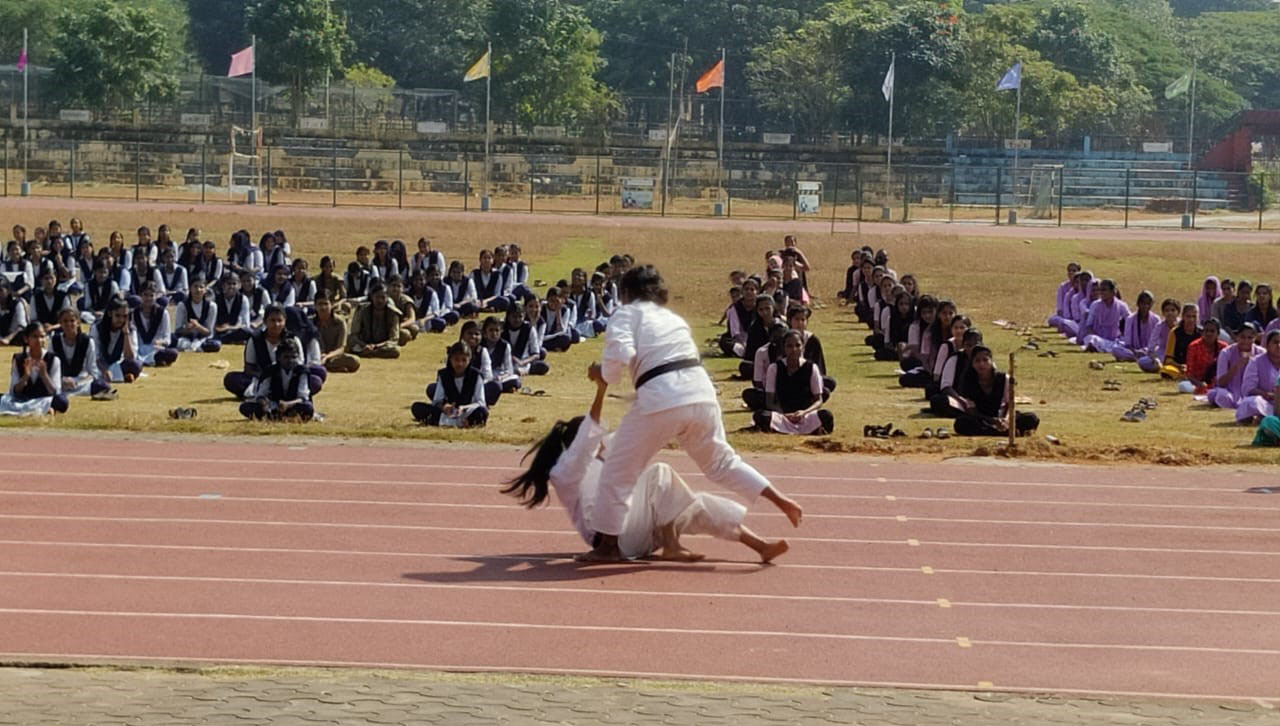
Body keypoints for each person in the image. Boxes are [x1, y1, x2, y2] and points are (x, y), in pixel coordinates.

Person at [579, 265, 803, 562]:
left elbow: (619, 356)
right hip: (700, 393)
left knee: (617, 469)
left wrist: (603, 373)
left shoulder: (627, 313)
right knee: (723, 462)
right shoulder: (674, 320)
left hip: (661, 397)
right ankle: (779, 498)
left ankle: (607, 547)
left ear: (627, 293)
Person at [503, 367, 789, 563]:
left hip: (637, 534)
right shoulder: (566, 470)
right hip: (609, 536)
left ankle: (760, 546)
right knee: (659, 474)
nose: (604, 439)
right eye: (599, 436)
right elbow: (590, 433)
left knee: (697, 504)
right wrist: (601, 389)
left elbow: (635, 430)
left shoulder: (605, 454)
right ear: (580, 440)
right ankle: (672, 546)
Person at [753, 329, 834, 435]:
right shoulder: (774, 368)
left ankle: (785, 429)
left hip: (805, 416)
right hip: (782, 416)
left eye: (797, 345)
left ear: (803, 347)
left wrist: (804, 412)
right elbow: (770, 401)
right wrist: (785, 414)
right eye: (789, 346)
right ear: (784, 348)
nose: (794, 349)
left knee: (826, 415)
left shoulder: (811, 367)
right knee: (760, 415)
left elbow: (818, 400)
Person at [952, 346, 1039, 437]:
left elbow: (1010, 404)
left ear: (991, 362)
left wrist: (1005, 420)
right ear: (972, 364)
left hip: (1003, 416)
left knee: (1031, 418)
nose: (981, 364)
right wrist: (993, 421)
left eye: (985, 360)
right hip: (982, 419)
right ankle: (1000, 432)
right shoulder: (969, 382)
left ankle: (1005, 430)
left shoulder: (1004, 379)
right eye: (977, 361)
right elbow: (972, 411)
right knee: (961, 423)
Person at [411, 341, 488, 427]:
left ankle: (446, 422)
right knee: (417, 407)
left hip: (467, 412)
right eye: (456, 359)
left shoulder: (476, 376)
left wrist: (464, 408)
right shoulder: (444, 375)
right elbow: (437, 401)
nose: (460, 364)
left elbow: (480, 402)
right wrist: (445, 407)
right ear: (450, 359)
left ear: (469, 360)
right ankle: (458, 423)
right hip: (449, 413)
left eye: (464, 360)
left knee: (482, 412)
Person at [239, 336, 314, 422]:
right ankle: (275, 415)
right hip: (274, 405)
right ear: (278, 357)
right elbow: (262, 394)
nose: (290, 360)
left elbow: (303, 397)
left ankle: (276, 417)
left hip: (294, 404)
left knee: (308, 408)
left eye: (293, 357)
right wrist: (264, 403)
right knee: (245, 407)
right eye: (286, 357)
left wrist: (288, 404)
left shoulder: (302, 371)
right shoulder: (270, 370)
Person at [0, 323, 68, 415]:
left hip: (43, 399)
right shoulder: (19, 359)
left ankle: (40, 409)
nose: (39, 340)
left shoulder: (53, 359)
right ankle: (39, 410)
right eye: (35, 336)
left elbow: (56, 391)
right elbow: (14, 391)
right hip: (22, 399)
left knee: (61, 401)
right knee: (3, 398)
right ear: (26, 339)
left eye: (42, 337)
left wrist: (44, 375)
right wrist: (26, 376)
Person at [50, 307, 114, 400]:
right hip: (61, 382)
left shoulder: (87, 341)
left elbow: (92, 371)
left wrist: (76, 382)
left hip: (81, 383)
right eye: (65, 321)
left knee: (103, 386)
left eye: (72, 321)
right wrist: (62, 380)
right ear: (60, 323)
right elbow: (50, 367)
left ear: (78, 322)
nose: (69, 324)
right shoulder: (54, 341)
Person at [1209, 321, 1260, 409]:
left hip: (1253, 392)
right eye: (1242, 337)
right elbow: (1220, 383)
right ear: (1237, 337)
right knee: (1221, 396)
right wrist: (1236, 366)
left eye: (1250, 338)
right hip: (1230, 391)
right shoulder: (1226, 353)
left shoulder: (1261, 353)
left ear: (1255, 338)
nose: (1246, 341)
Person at [91, 299, 142, 384]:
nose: (121, 320)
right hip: (100, 366)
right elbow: (94, 356)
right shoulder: (97, 328)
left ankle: (121, 376)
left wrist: (126, 333)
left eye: (124, 316)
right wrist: (104, 371)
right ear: (110, 313)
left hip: (118, 365)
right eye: (118, 316)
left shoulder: (130, 329)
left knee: (136, 365)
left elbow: (130, 357)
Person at [346, 281, 402, 359]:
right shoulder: (362, 310)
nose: (380, 301)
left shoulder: (393, 313)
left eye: (382, 297)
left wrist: (375, 346)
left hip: (382, 346)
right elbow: (354, 334)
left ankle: (368, 353)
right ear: (372, 297)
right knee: (349, 341)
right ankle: (366, 352)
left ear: (387, 298)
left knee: (396, 350)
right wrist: (364, 345)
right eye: (377, 297)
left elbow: (394, 339)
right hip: (363, 343)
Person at [1235, 329, 1280, 424]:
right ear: (1267, 345)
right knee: (1251, 402)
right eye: (1275, 342)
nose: (1279, 346)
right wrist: (1268, 395)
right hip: (1265, 402)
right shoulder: (1256, 362)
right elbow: (1249, 388)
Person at [131, 283, 179, 367]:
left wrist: (159, 342)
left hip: (156, 349)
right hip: (138, 349)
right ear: (140, 296)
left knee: (173, 353)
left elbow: (168, 339)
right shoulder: (134, 314)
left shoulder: (163, 313)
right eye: (145, 295)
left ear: (156, 296)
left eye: (151, 295)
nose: (148, 298)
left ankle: (152, 360)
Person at [173, 275, 222, 353]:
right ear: (190, 288)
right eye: (195, 286)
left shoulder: (212, 306)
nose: (198, 290)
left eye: (201, 287)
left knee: (216, 345)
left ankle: (196, 347)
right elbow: (178, 330)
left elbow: (209, 332)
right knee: (172, 339)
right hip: (186, 337)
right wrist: (188, 329)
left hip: (203, 338)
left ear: (205, 290)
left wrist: (198, 326)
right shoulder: (182, 305)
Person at [312, 294, 360, 373]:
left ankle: (327, 366)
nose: (323, 307)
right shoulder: (311, 322)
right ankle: (331, 367)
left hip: (334, 356)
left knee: (355, 361)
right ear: (315, 306)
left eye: (326, 304)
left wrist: (327, 357)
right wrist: (321, 354)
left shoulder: (340, 322)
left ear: (331, 305)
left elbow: (341, 348)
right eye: (320, 304)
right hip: (317, 356)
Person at [0, 278, 27, 345]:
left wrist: (8, 338)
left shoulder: (17, 304)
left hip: (14, 338)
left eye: (0, 290)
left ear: (8, 291)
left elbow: (21, 326)